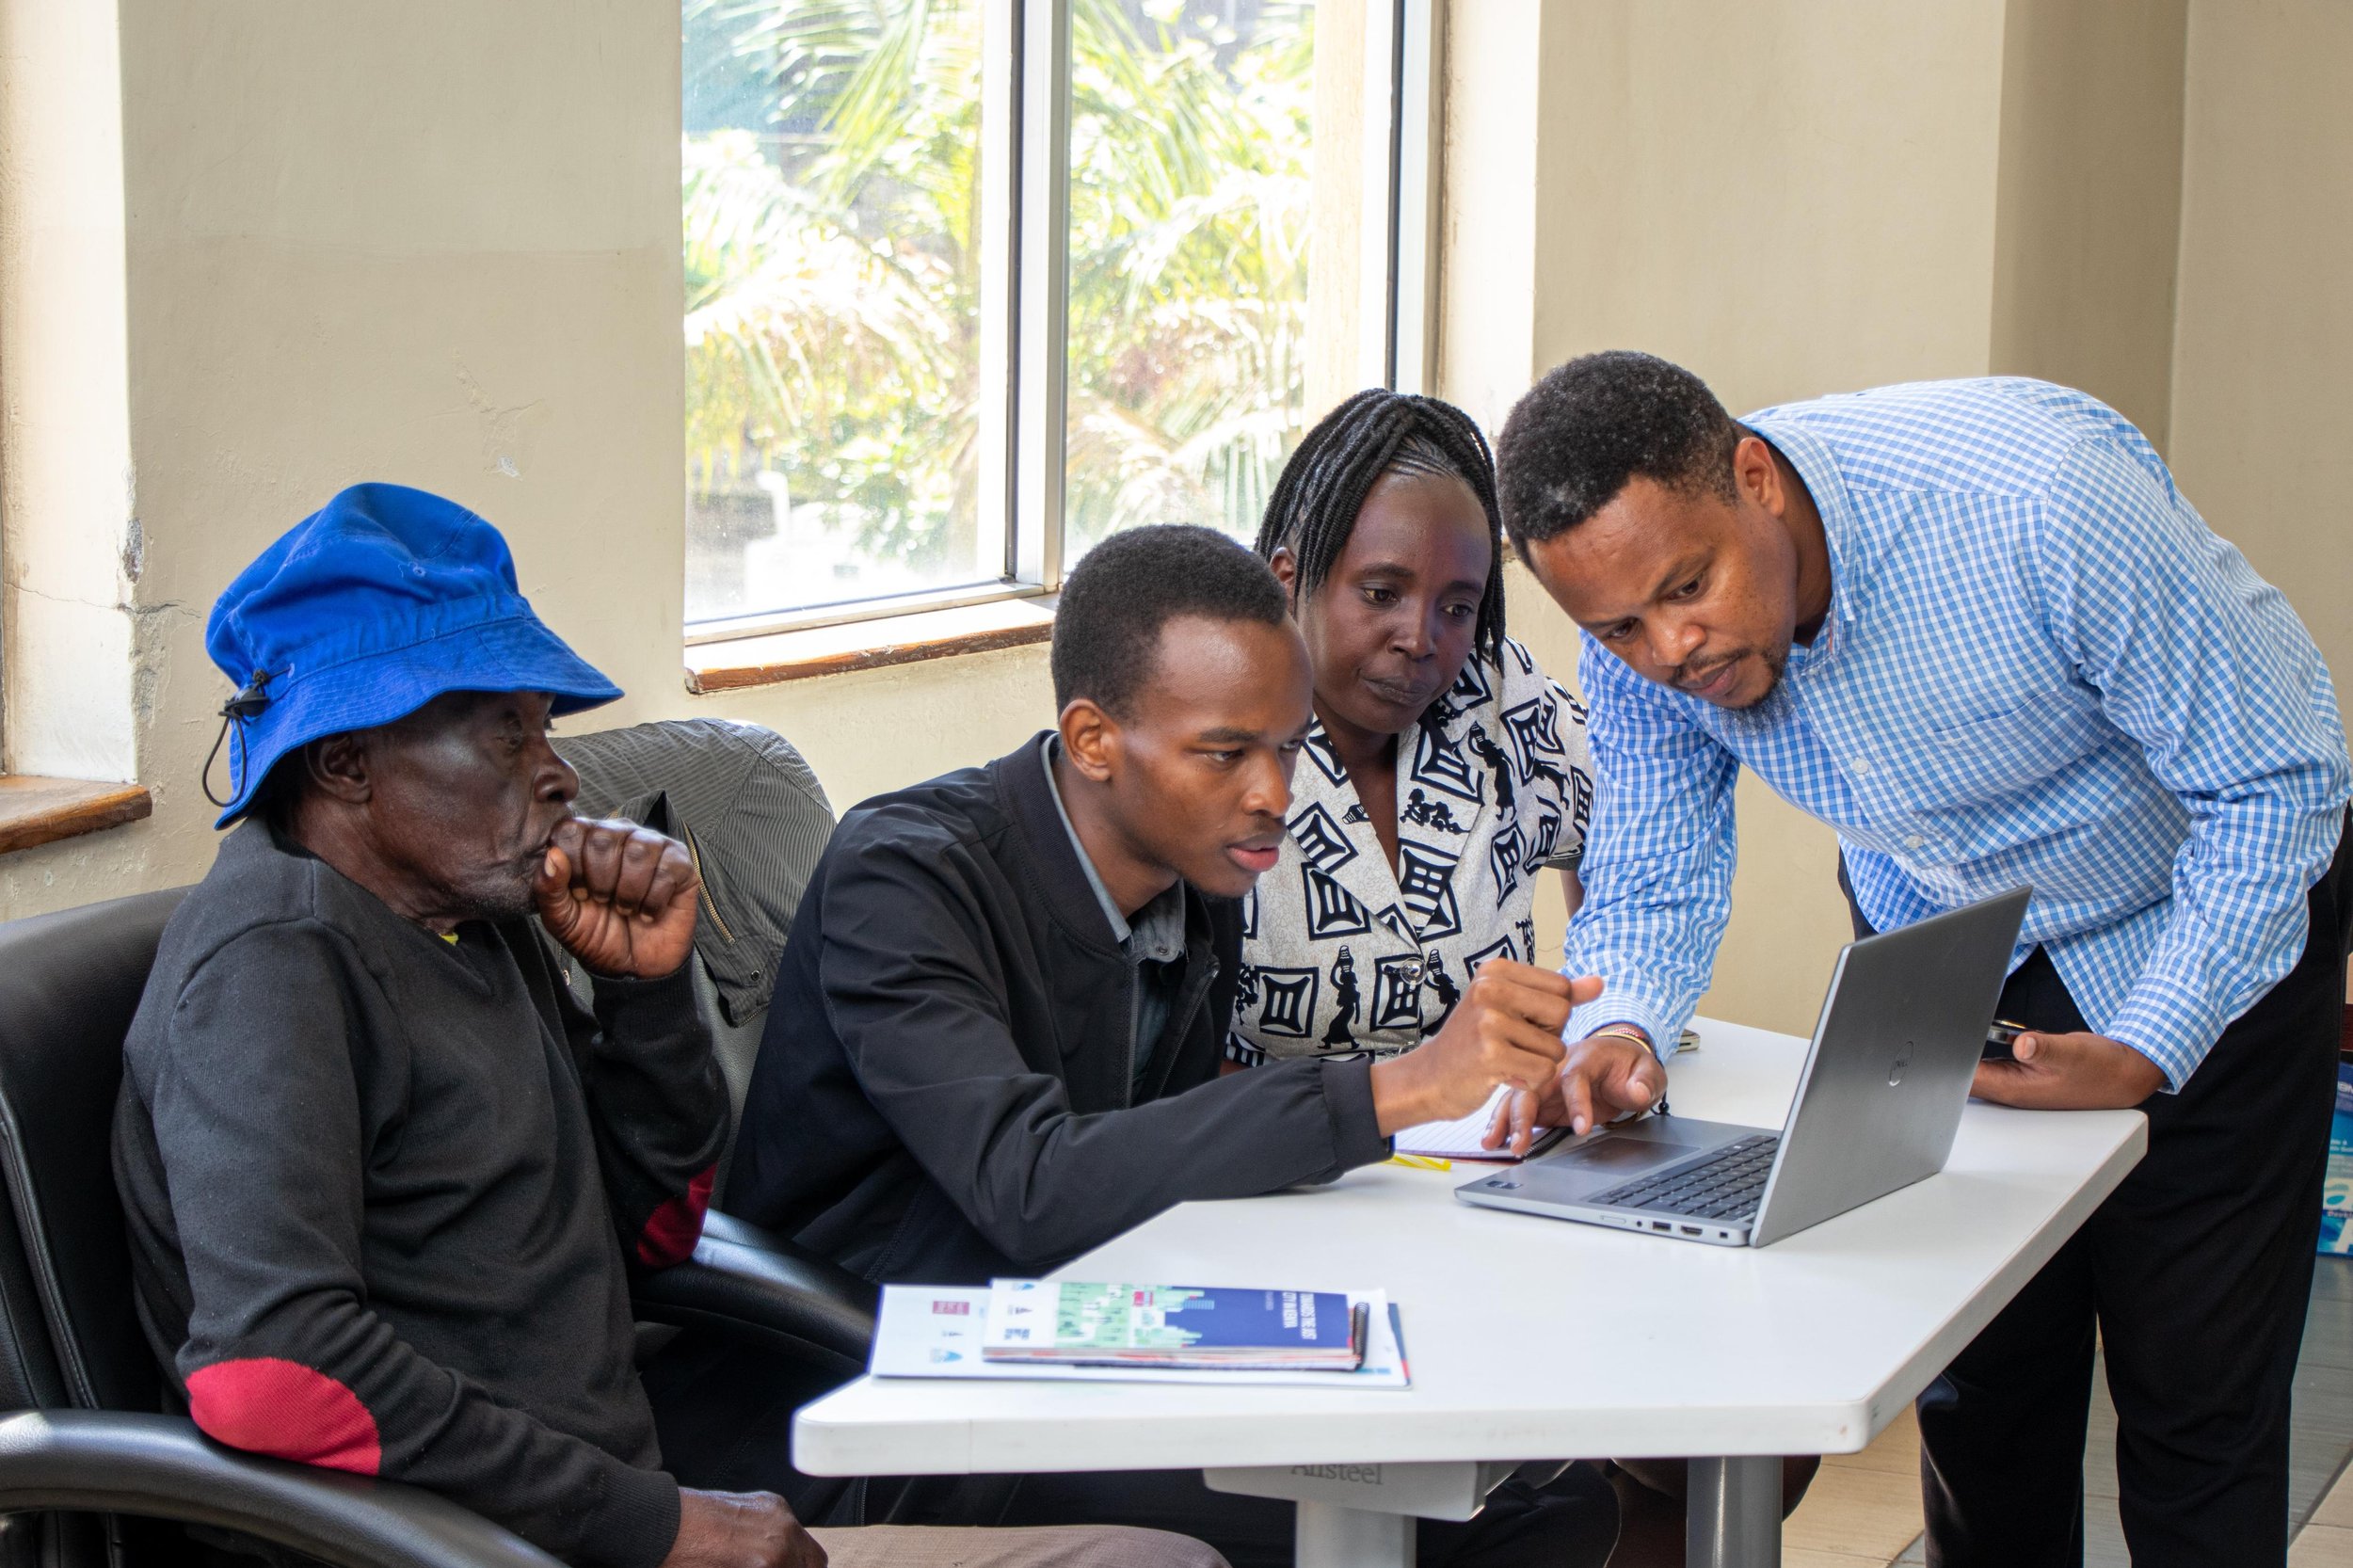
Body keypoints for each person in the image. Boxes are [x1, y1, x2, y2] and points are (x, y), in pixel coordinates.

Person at [116, 484, 1227, 1568]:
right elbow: (273, 1372)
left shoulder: (465, 917)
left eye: (542, 729)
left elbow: (647, 1234)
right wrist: (657, 1524)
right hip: (472, 1540)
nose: (556, 773)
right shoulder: (273, 966)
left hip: (593, 1508)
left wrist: (648, 998)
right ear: (344, 759)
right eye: (503, 736)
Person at [1495, 354, 2353, 1568]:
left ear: (1754, 478)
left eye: (1688, 588)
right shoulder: (1641, 645)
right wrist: (1621, 1026)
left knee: (2192, 1401)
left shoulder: (2039, 501)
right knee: (1982, 1392)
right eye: (1617, 625)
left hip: (2198, 912)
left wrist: (2153, 1037)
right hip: (1955, 945)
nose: (1669, 647)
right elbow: (1651, 875)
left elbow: (2279, 776)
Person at [728, 524, 1621, 1567]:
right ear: (1095, 738)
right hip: (905, 1379)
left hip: (1101, 1326)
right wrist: (1397, 1088)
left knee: (1549, 1485)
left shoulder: (1198, 879)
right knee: (1469, 1519)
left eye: (1288, 749)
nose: (1273, 795)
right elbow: (1031, 1182)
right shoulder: (905, 876)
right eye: (1225, 752)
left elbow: (1173, 1131)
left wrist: (1479, 1101)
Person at [1244, 388, 1812, 1562]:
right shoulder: (1222, 738)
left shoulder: (1494, 706)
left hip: (1499, 1202)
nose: (1420, 639)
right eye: (1382, 594)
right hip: (1296, 1216)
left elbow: (1639, 853)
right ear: (1291, 571)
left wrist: (1599, 1022)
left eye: (1458, 604)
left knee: (1760, 1412)